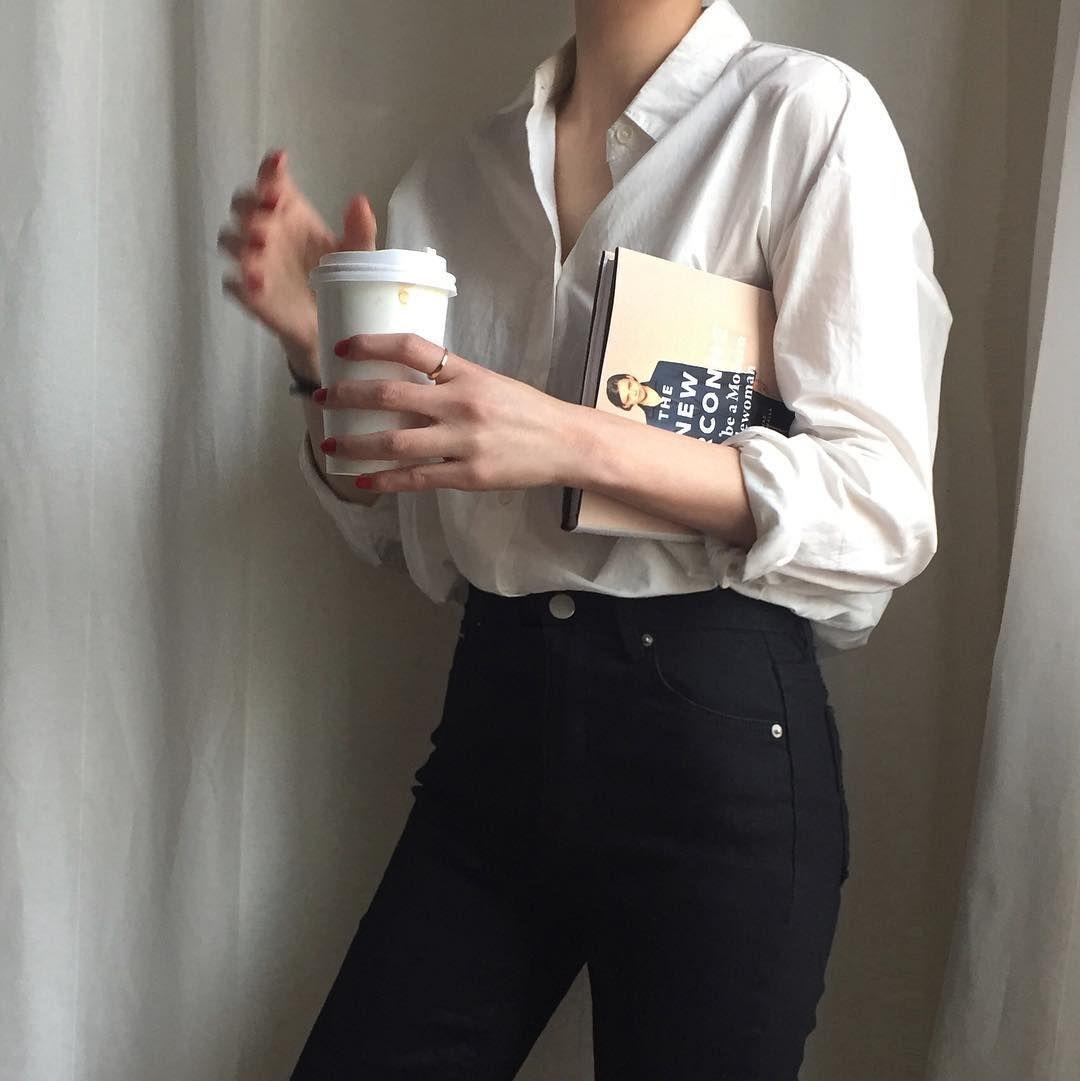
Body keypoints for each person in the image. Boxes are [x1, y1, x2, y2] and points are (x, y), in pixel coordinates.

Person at [218, 1, 952, 1077]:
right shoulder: (450, 182)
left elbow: (881, 506)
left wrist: (568, 438)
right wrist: (321, 362)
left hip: (715, 746)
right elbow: (398, 531)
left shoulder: (802, 117)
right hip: (495, 727)